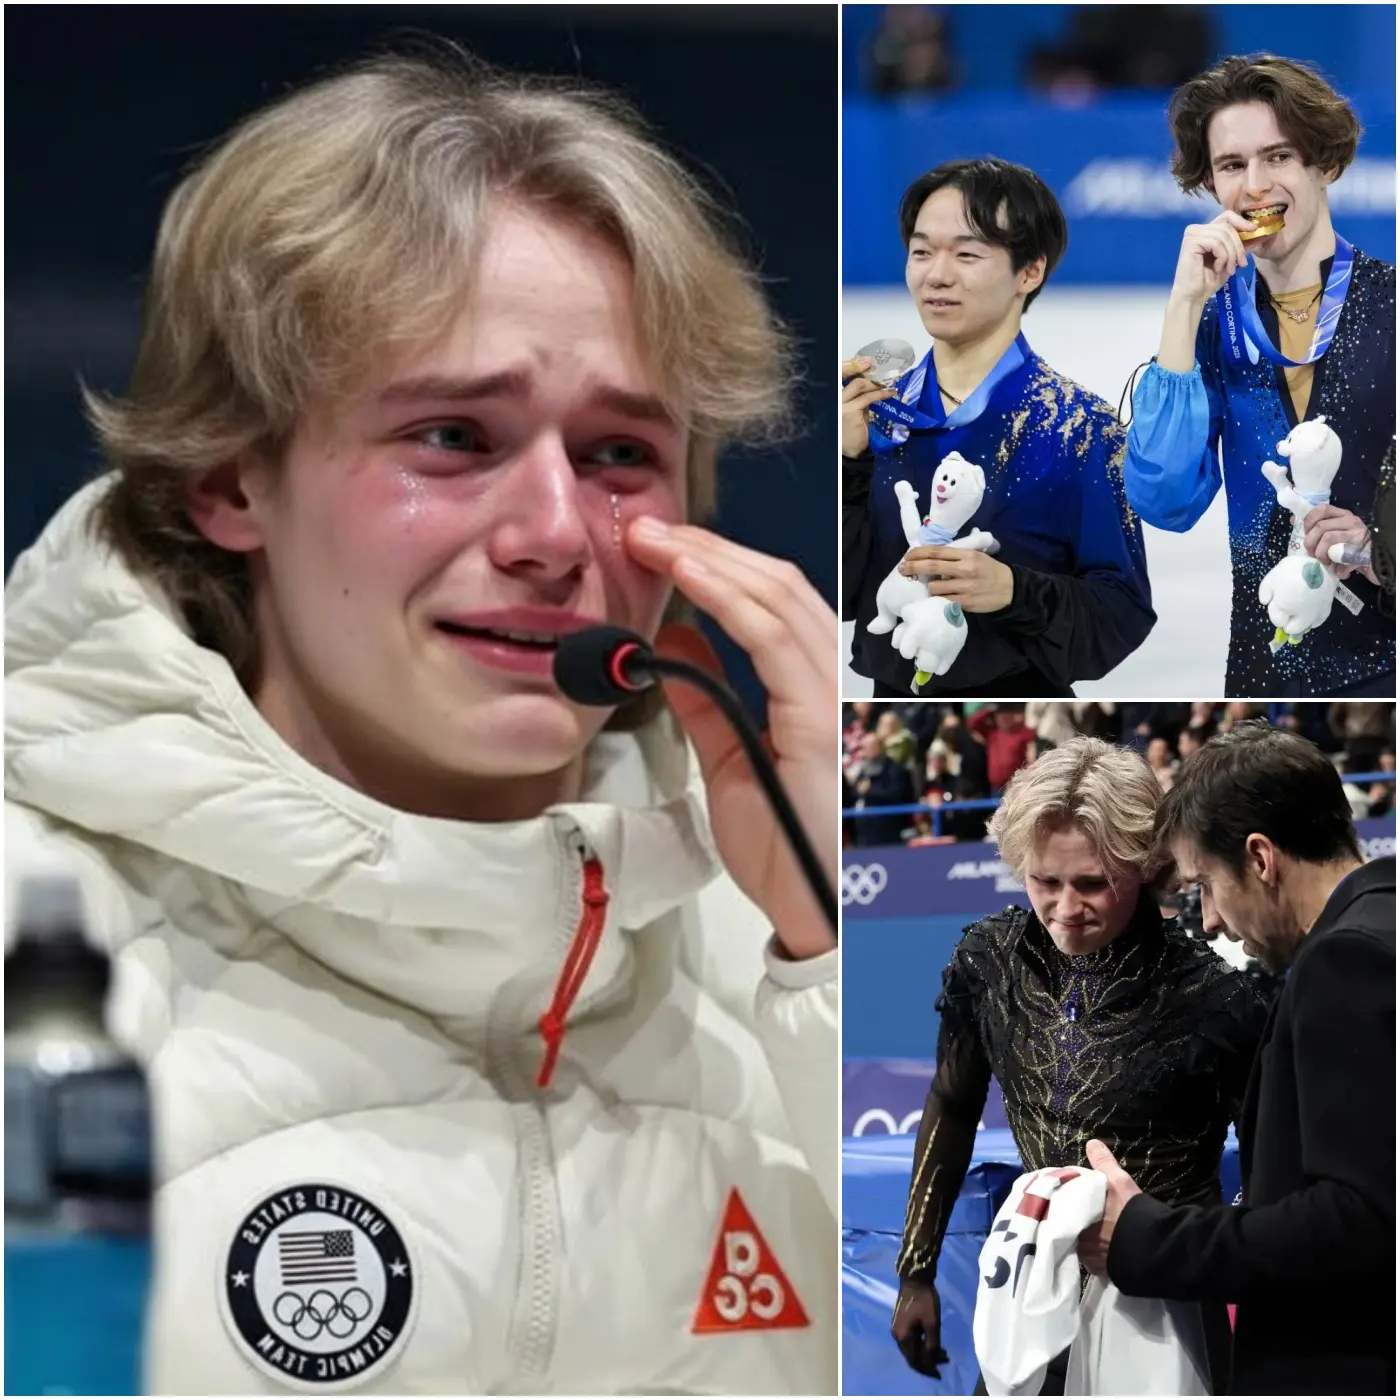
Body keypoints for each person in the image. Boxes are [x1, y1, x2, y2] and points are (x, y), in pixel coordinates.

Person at [4, 52, 839, 1396]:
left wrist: (833, 939)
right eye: (454, 435)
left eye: (621, 453)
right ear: (230, 476)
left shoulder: (789, 935)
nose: (557, 535)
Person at [890, 738, 1274, 1393]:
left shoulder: (1218, 993)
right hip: (1029, 1299)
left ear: (1146, 867)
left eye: (1093, 883)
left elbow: (1275, 1165)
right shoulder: (989, 962)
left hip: (1168, 1308)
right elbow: (951, 1104)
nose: (1066, 909)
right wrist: (915, 1269)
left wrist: (1219, 1266)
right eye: (1045, 881)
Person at [1077, 723, 1395, 1397]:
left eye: (1204, 886)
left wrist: (1145, 1239)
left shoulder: (1348, 962)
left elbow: (1360, 1222)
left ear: (1260, 858)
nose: (1212, 921)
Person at [1123, 55, 1396, 698]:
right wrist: (1183, 307)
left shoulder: (1394, 304)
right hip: (1262, 671)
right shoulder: (1213, 325)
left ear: (1324, 164)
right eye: (1231, 165)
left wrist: (1387, 546)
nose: (1255, 186)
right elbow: (1166, 500)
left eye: (1278, 157)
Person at [842, 158, 1156, 699]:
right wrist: (847, 465)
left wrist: (1014, 590)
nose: (936, 275)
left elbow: (1121, 614)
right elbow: (840, 595)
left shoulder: (1080, 428)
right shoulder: (872, 415)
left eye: (967, 254)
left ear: (1029, 272)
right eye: (921, 252)